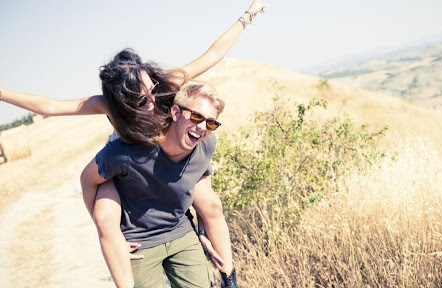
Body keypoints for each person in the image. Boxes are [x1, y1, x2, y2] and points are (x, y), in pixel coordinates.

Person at [0, 1, 267, 287]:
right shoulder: (110, 109)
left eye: (150, 90)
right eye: (141, 101)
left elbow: (213, 54)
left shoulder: (165, 84)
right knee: (105, 215)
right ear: (122, 103)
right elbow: (50, 106)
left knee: (211, 205)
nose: (153, 102)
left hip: (171, 158)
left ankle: (229, 278)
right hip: (126, 164)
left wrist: (248, 14)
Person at [81, 81, 228, 288]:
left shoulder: (205, 143)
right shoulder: (125, 151)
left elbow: (205, 193)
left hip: (179, 231)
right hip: (139, 242)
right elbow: (88, 180)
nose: (203, 127)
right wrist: (110, 236)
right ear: (176, 112)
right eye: (196, 116)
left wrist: (202, 231)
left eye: (211, 123)